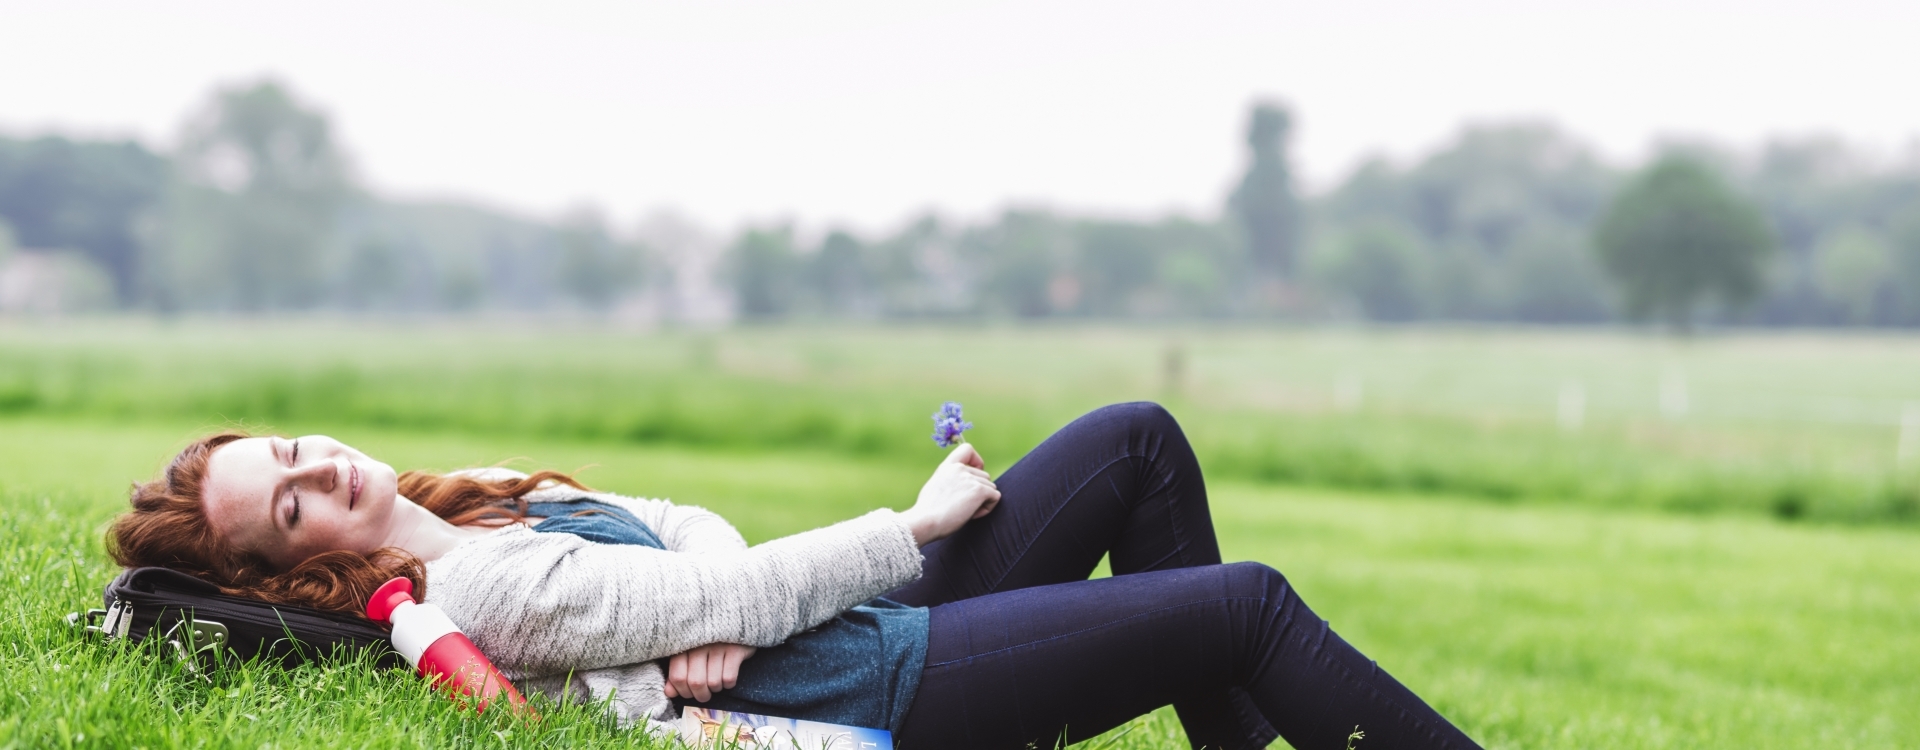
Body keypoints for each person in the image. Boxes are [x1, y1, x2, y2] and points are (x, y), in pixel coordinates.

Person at [110, 402, 1481, 750]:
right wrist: (919, 521)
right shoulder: (482, 593)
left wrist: (713, 597)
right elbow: (730, 592)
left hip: (859, 619)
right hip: (884, 687)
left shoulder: (466, 493)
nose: (321, 472)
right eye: (289, 505)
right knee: (1243, 607)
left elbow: (688, 527)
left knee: (1137, 444)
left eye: (292, 450)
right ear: (294, 564)